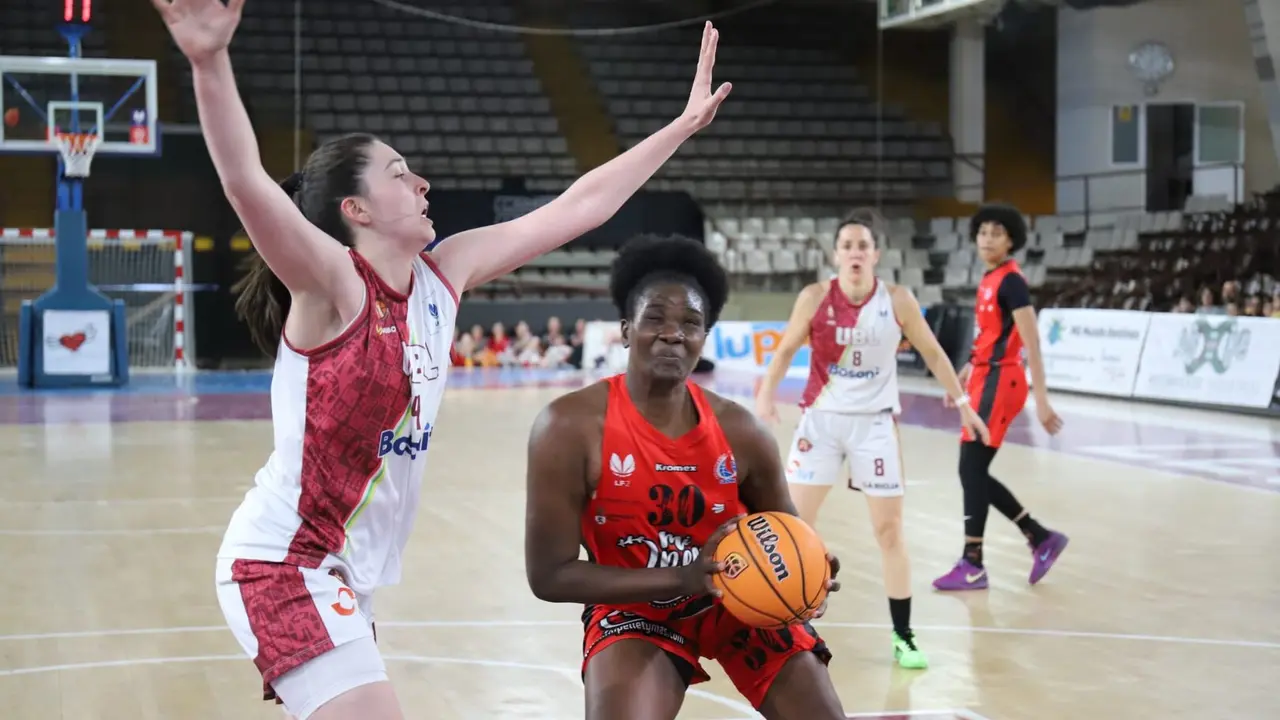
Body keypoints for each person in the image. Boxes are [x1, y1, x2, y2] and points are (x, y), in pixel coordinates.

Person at [151, 0, 734, 718]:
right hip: (282, 564)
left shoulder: (443, 275)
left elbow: (580, 206)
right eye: (399, 175)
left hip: (344, 572)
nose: (421, 183)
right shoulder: (333, 285)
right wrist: (209, 63)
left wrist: (679, 128)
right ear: (355, 212)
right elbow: (245, 182)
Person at [524, 235, 846, 720]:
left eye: (691, 323)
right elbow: (549, 576)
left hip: (743, 602)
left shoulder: (742, 431)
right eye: (656, 318)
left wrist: (813, 571)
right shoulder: (568, 427)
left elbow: (788, 529)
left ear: (703, 338)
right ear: (627, 329)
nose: (673, 333)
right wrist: (682, 577)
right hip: (636, 605)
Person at [753, 208, 989, 670]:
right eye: (848, 246)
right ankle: (792, 624)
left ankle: (903, 636)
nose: (855, 253)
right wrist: (764, 399)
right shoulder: (815, 296)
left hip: (875, 425)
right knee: (796, 528)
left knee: (889, 532)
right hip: (820, 423)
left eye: (863, 246)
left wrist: (964, 405)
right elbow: (783, 350)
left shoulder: (897, 300)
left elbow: (935, 353)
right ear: (836, 254)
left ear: (876, 254)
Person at [932, 202, 1069, 592]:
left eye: (996, 233)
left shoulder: (1012, 281)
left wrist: (1041, 400)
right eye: (982, 233)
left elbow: (1032, 341)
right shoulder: (990, 278)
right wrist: (963, 374)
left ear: (1011, 240)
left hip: (1002, 383)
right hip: (984, 378)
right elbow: (987, 338)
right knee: (971, 470)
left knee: (971, 468)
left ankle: (974, 562)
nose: (987, 239)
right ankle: (1038, 536)